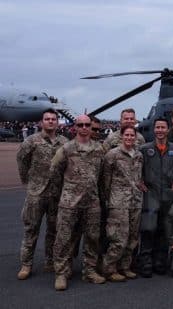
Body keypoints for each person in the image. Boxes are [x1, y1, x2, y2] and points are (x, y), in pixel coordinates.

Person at [51, 115, 107, 291]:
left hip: (91, 202)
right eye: (80, 124)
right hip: (69, 202)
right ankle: (61, 272)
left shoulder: (99, 149)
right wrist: (64, 193)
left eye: (87, 125)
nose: (84, 127)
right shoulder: (66, 149)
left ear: (91, 127)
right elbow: (54, 173)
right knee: (64, 238)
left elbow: (102, 176)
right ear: (74, 127)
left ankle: (89, 271)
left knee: (92, 238)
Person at [16, 108, 68, 280]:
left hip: (56, 193)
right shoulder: (31, 141)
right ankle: (26, 264)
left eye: (53, 119)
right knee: (31, 229)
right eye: (47, 119)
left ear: (58, 122)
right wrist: (28, 181)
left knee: (54, 230)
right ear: (41, 122)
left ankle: (50, 260)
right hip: (36, 193)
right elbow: (22, 161)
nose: (51, 121)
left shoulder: (64, 142)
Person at [137, 117, 173, 278]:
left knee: (164, 229)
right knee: (148, 228)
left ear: (168, 130)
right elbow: (136, 168)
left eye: (163, 127)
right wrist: (139, 181)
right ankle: (145, 262)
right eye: (157, 127)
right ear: (154, 130)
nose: (160, 130)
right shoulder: (144, 149)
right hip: (150, 194)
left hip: (168, 194)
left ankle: (160, 260)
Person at [101, 126, 144, 282]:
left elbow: (139, 177)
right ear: (121, 136)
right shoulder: (112, 155)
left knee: (133, 237)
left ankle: (125, 267)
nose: (130, 138)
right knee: (119, 237)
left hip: (136, 200)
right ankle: (109, 268)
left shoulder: (139, 155)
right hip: (118, 201)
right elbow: (106, 180)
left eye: (132, 135)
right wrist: (109, 199)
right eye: (127, 135)